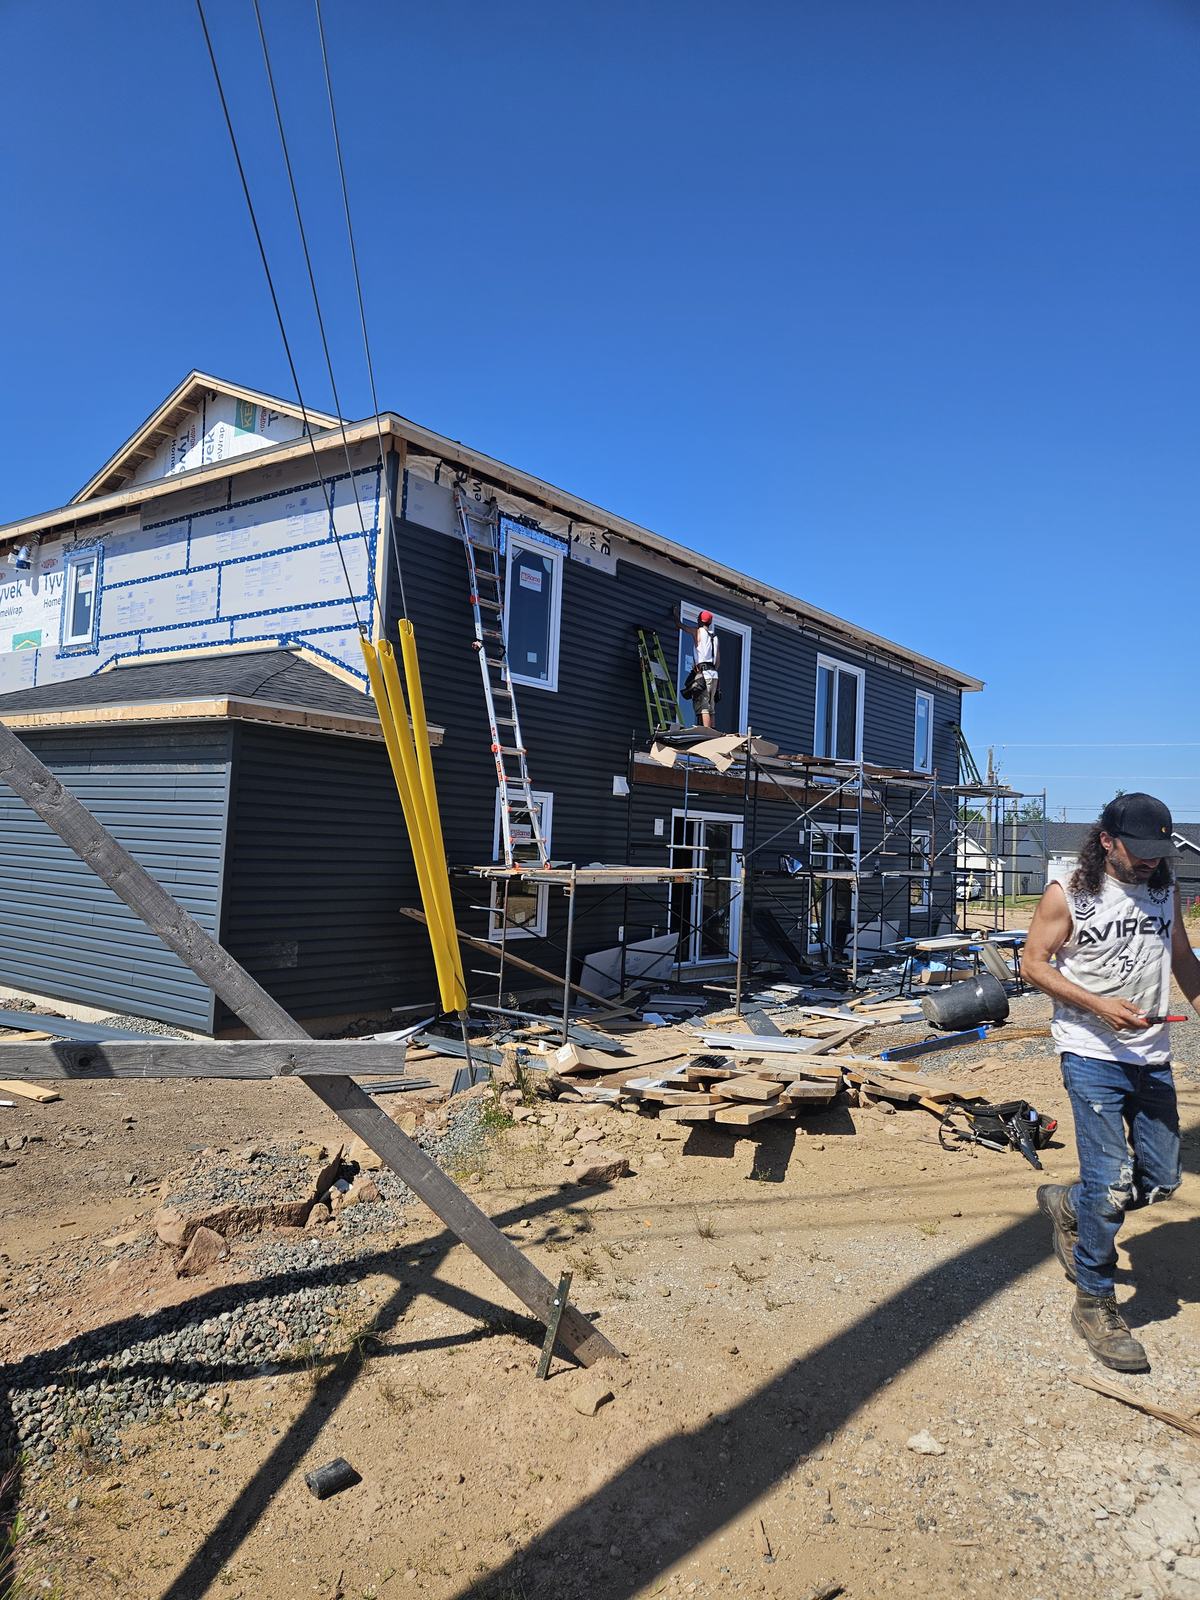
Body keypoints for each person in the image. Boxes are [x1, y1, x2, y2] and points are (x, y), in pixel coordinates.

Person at [1023, 793, 1200, 1370]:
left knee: (1162, 1178)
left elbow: (1183, 959)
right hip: (1090, 1052)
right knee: (1113, 1180)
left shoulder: (1163, 890)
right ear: (1106, 841)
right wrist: (1097, 1005)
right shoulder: (1068, 896)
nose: (1149, 861)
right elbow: (1033, 964)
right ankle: (1094, 1300)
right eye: (1138, 852)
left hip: (1150, 1056)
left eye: (1157, 853)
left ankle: (1068, 1204)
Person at [677, 606, 720, 729]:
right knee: (711, 705)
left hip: (703, 673)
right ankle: (713, 733)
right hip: (714, 674)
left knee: (703, 706)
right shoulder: (715, 638)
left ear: (700, 621)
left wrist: (676, 617)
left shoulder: (698, 632)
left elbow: (682, 626)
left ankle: (707, 733)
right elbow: (718, 661)